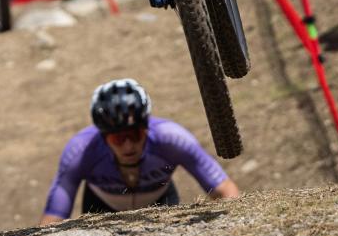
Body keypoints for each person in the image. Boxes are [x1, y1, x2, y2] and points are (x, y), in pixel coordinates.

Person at [39, 78, 240, 224]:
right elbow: (54, 215)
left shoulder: (172, 139)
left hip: (160, 200)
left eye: (135, 135)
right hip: (100, 206)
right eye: (117, 138)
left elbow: (224, 190)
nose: (128, 146)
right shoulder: (80, 151)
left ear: (147, 128)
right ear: (102, 136)